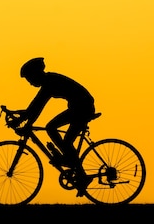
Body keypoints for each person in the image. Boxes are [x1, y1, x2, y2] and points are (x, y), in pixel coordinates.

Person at [10, 57, 97, 196]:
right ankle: (75, 167)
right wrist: (20, 117)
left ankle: (80, 174)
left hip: (83, 107)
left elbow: (37, 107)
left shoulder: (49, 83)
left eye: (30, 79)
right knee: (57, 134)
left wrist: (26, 123)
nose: (30, 83)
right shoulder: (49, 81)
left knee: (56, 132)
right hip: (79, 106)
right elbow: (34, 106)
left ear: (36, 74)